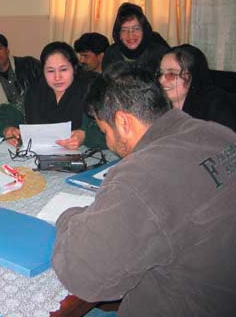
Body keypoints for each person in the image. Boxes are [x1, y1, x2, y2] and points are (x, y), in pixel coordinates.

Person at [52, 62, 236, 317]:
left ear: (123, 122)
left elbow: (83, 275)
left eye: (105, 131)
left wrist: (68, 217)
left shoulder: (140, 176)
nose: (107, 140)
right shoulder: (218, 133)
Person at [0, 42, 106, 150]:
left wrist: (85, 136)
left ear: (74, 68)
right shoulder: (36, 91)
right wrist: (7, 129)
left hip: (86, 157)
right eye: (50, 71)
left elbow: (115, 130)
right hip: (38, 157)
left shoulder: (90, 90)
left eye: (63, 69)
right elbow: (1, 114)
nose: (57, 77)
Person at [157, 44, 236, 131]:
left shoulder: (216, 106)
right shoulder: (158, 104)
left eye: (171, 74)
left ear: (192, 76)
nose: (161, 80)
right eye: (160, 73)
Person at [0, 32, 42, 114]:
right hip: (13, 118)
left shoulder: (29, 64)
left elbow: (48, 85)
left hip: (38, 112)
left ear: (7, 50)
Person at [102, 2, 169, 74]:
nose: (130, 35)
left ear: (144, 31)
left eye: (136, 29)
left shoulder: (159, 53)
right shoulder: (111, 54)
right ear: (119, 35)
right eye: (124, 30)